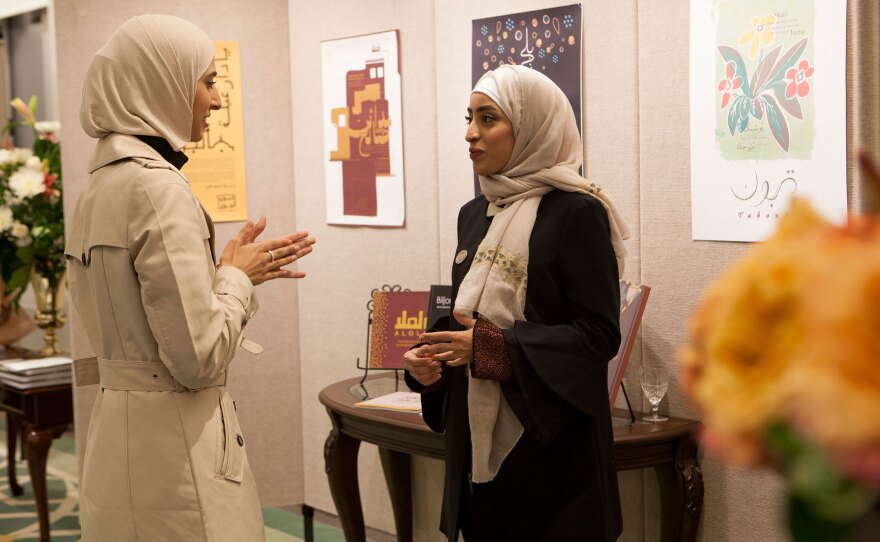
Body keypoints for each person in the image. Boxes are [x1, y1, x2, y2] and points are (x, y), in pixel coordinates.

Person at [65, 15, 315, 541]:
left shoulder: (97, 186)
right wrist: (235, 280)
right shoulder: (158, 189)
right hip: (175, 454)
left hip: (117, 441)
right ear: (159, 83)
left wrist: (227, 270)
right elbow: (198, 359)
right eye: (206, 82)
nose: (216, 101)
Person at [404, 64, 629, 541]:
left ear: (532, 127)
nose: (470, 134)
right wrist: (432, 363)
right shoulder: (475, 213)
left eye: (488, 119)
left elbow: (599, 336)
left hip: (552, 458)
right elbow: (470, 318)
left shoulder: (578, 213)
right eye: (469, 117)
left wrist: (487, 347)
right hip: (479, 457)